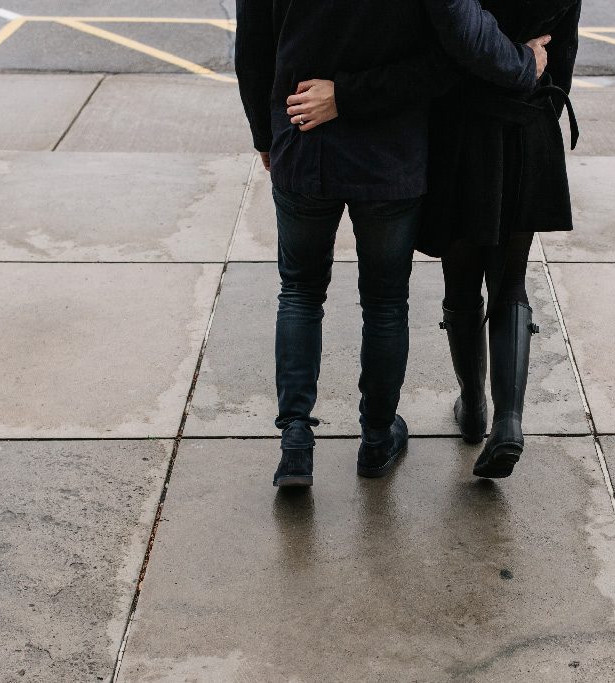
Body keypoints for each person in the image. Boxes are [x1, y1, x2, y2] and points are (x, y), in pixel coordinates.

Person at [234, 0, 552, 487]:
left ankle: (295, 444)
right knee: (384, 304)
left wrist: (264, 132)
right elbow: (455, 51)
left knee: (299, 292)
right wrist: (522, 64)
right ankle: (377, 436)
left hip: (302, 140)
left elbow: (252, 47)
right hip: (388, 154)